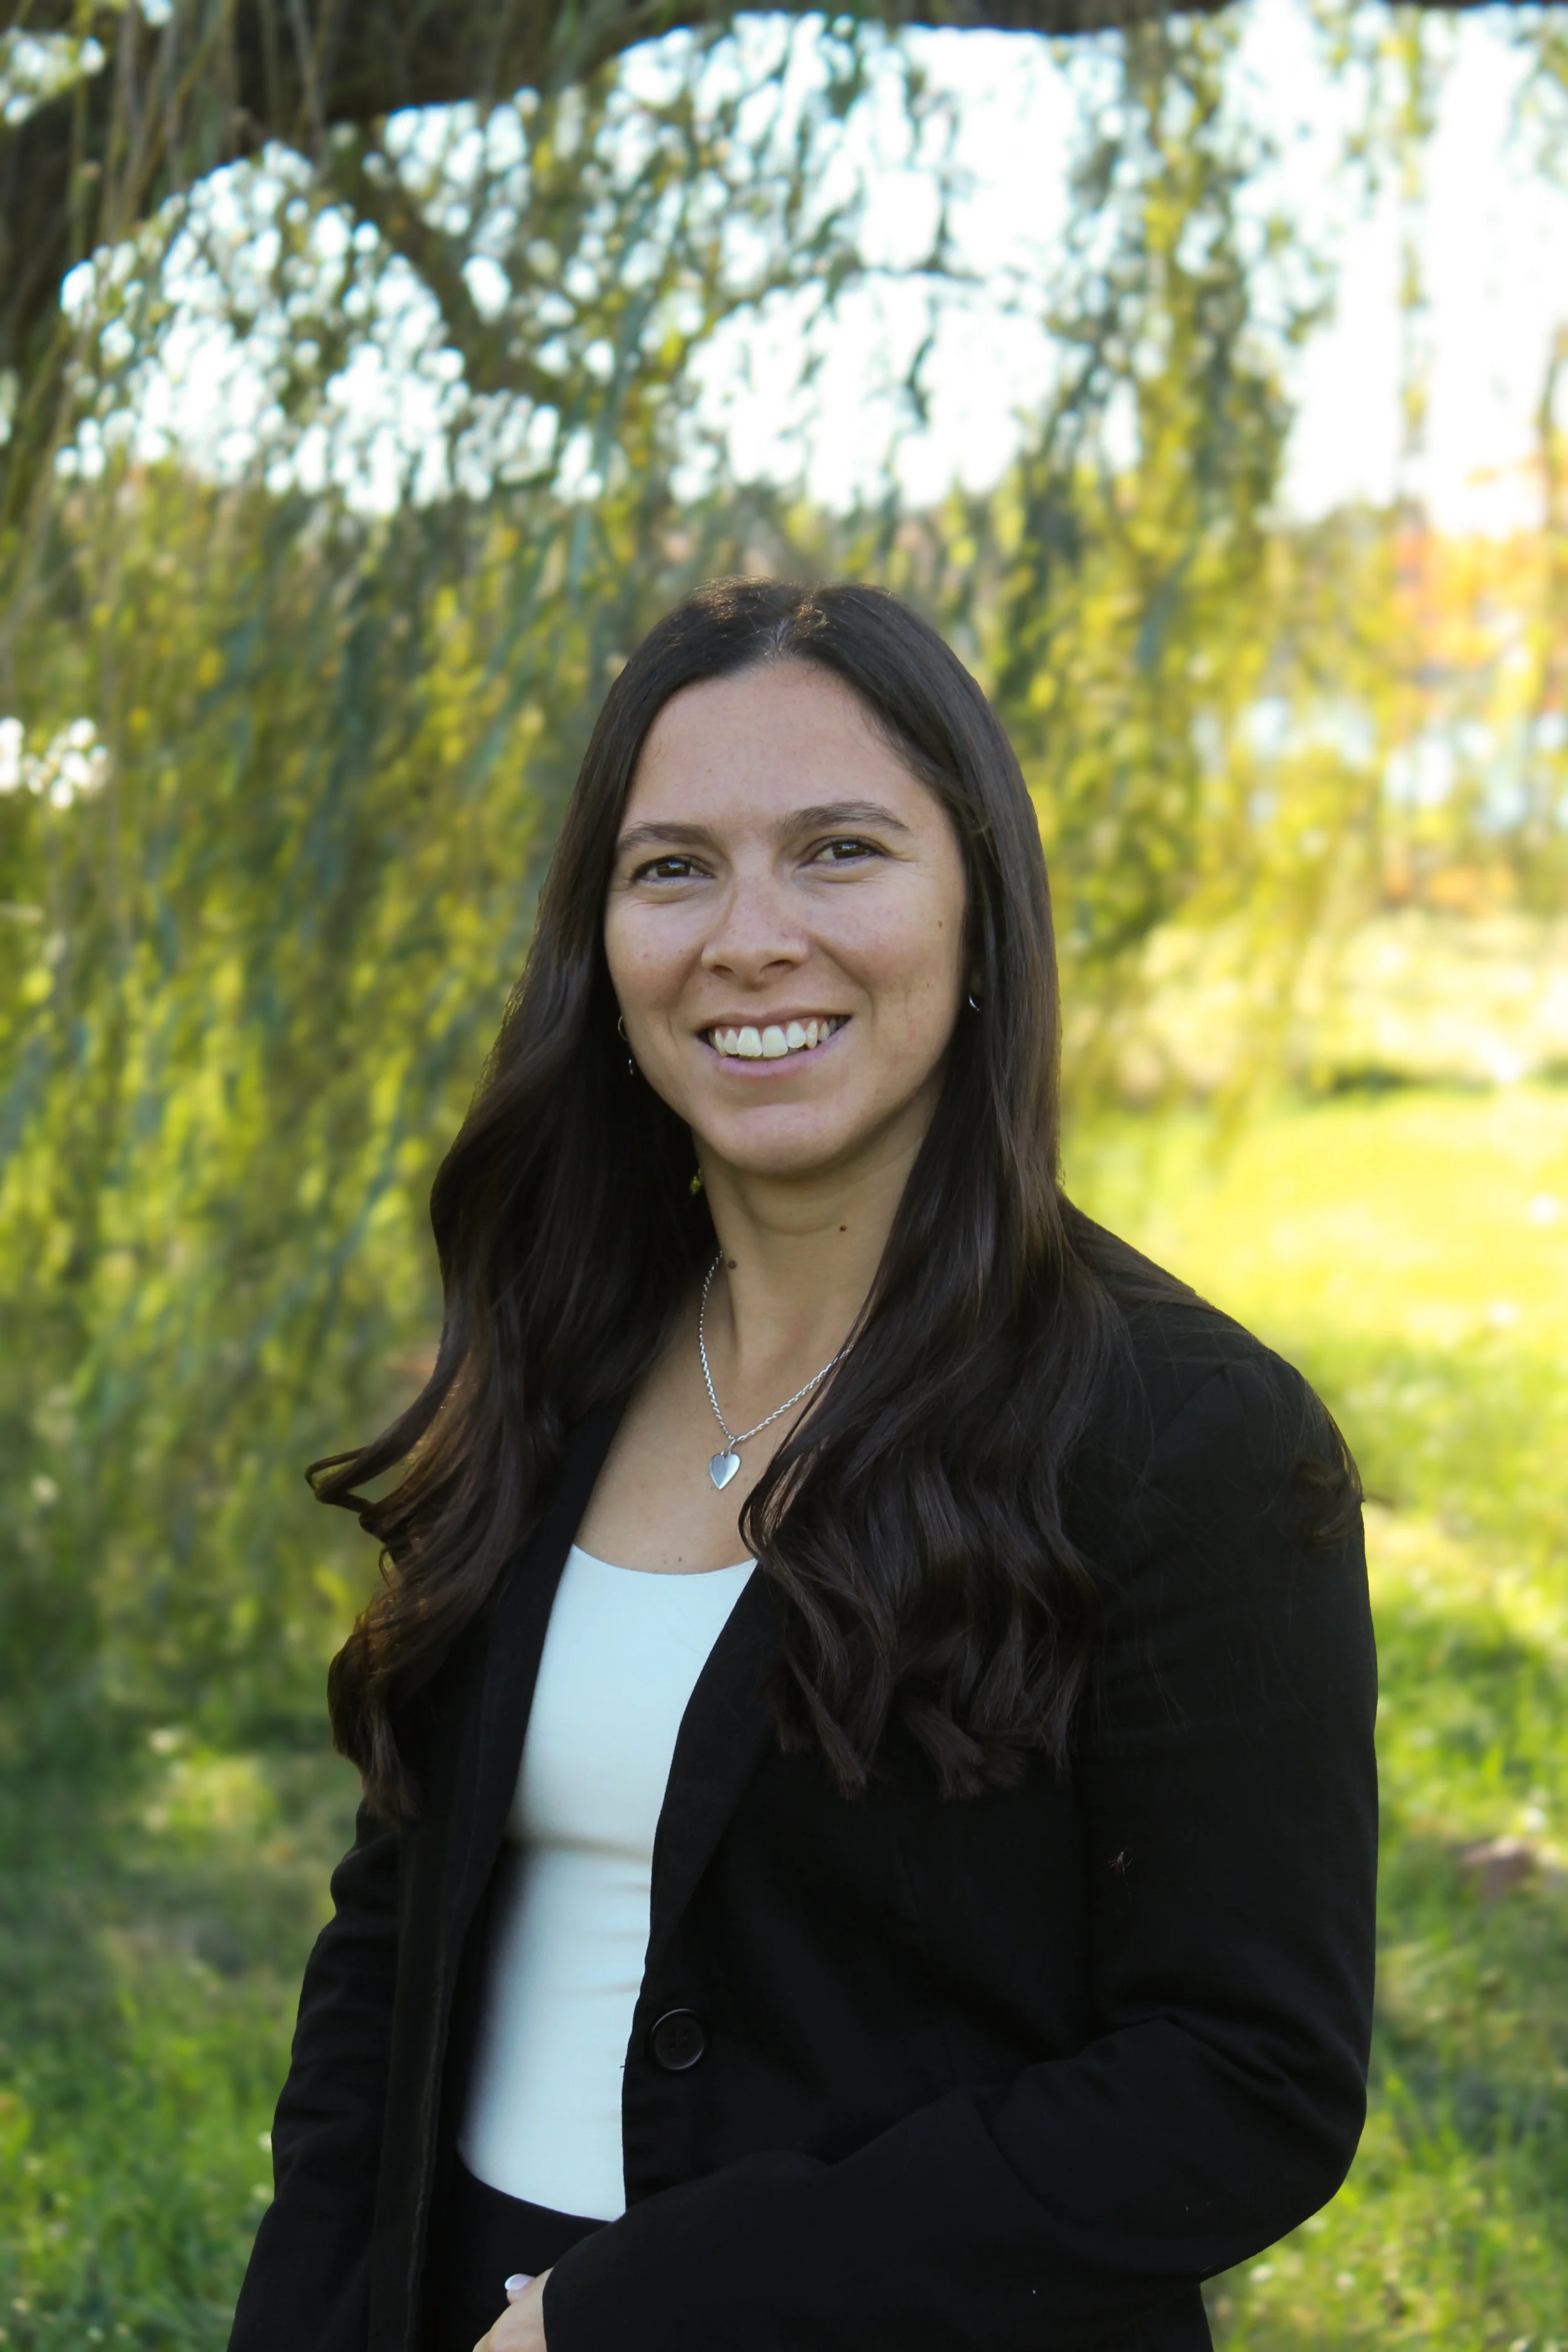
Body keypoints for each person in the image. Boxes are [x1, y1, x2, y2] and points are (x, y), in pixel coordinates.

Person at [228, 578, 1377, 2352]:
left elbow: (1241, 2082)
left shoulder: (1187, 1435)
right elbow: (391, 1941)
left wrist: (641, 2312)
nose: (747, 936)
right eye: (671, 867)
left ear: (980, 910)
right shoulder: (550, 1372)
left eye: (839, 849)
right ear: (600, 944)